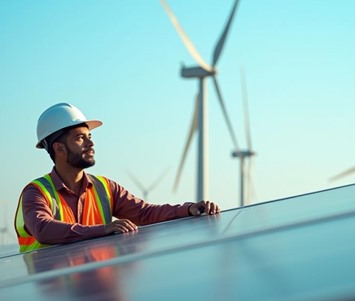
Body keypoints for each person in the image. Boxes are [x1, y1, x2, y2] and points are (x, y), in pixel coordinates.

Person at [15, 102, 220, 252]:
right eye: (80, 138)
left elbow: (145, 213)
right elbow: (43, 229)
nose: (90, 144)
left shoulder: (105, 187)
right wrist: (104, 229)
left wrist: (188, 209)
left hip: (94, 288)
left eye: (90, 137)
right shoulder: (36, 193)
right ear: (59, 149)